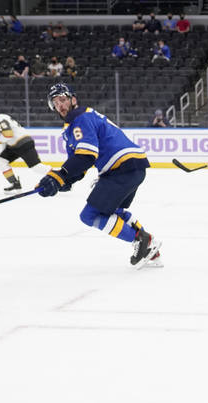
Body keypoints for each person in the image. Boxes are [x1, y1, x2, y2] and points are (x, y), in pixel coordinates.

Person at [35, 83, 163, 268]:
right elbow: (80, 165)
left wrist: (60, 174)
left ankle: (140, 240)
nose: (59, 105)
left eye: (62, 100)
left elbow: (87, 156)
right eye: (55, 102)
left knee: (89, 215)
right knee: (113, 212)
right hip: (131, 167)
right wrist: (61, 182)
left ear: (73, 100)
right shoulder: (73, 127)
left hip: (121, 168)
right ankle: (151, 251)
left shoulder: (80, 119)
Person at [0, 106, 45, 192]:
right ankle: (15, 184)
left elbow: (8, 135)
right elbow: (7, 136)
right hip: (15, 145)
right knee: (1, 160)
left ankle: (59, 177)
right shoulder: (1, 118)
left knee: (37, 167)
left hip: (22, 143)